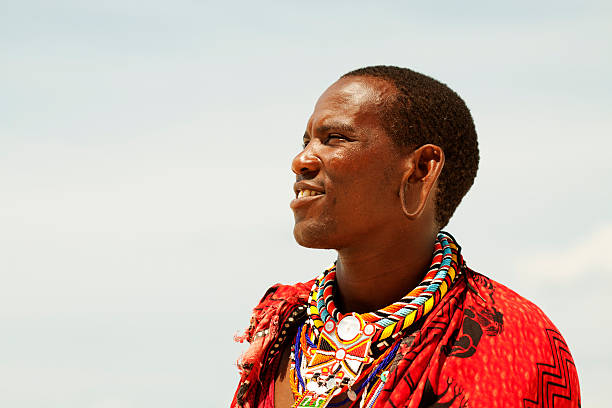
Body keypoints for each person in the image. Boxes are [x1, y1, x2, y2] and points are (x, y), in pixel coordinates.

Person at [231, 66, 580, 408]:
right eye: (306, 141)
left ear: (420, 170)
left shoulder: (513, 340)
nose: (301, 160)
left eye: (335, 138)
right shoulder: (283, 329)